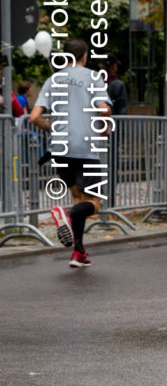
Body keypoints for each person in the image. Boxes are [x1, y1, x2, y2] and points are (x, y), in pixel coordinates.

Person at [29, 38, 112, 267]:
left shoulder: (53, 79)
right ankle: (66, 214)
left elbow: (34, 116)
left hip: (60, 149)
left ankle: (78, 253)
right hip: (86, 148)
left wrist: (50, 128)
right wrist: (104, 128)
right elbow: (103, 110)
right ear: (84, 56)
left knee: (78, 199)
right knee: (93, 203)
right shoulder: (93, 77)